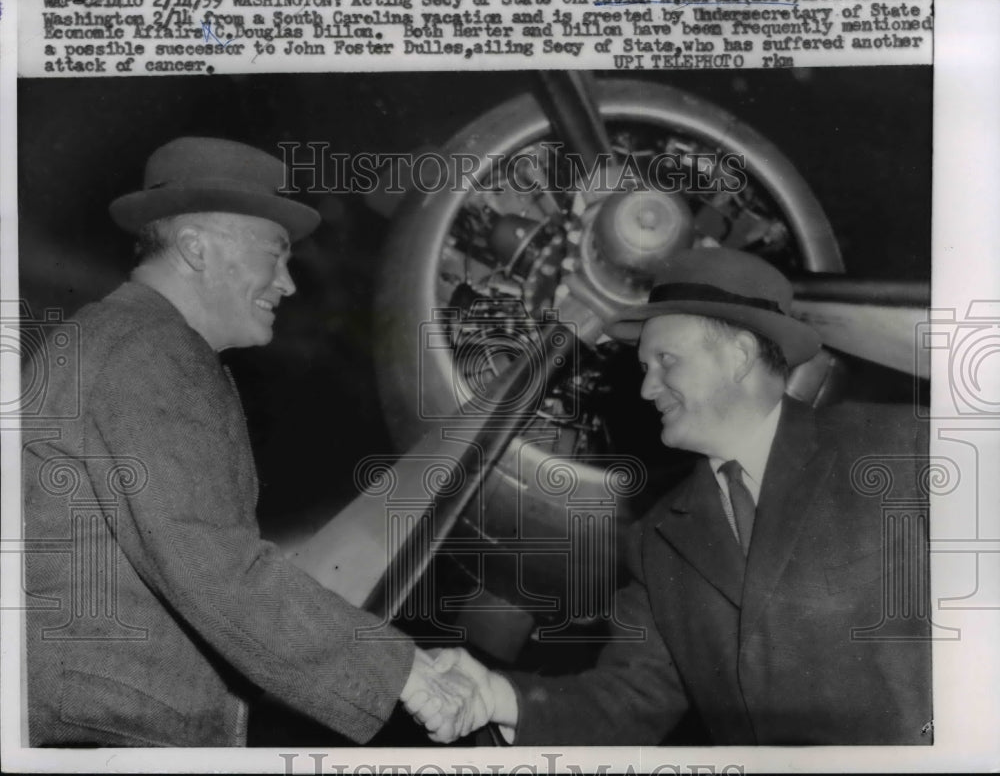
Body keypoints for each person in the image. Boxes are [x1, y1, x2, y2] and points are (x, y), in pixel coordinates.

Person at [22, 137, 480, 747]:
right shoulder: (146, 352)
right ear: (195, 248)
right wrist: (404, 675)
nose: (288, 283)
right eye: (275, 253)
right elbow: (213, 569)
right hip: (115, 734)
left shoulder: (112, 339)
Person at [404, 247, 933, 745]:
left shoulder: (905, 448)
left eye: (667, 361)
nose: (646, 388)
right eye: (644, 367)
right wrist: (496, 695)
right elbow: (627, 701)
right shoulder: (657, 538)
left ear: (740, 356)